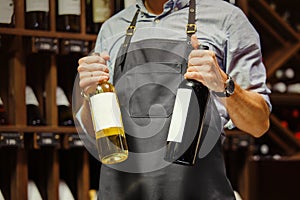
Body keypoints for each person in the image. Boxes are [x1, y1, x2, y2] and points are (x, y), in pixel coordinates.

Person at [76, 0, 271, 199]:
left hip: (196, 191)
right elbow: (95, 135)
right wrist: (89, 94)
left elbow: (258, 124)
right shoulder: (112, 28)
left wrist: (223, 83)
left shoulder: (227, 19)